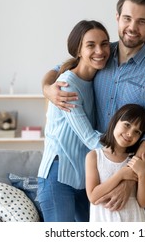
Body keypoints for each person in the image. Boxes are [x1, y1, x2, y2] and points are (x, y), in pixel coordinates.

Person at [42, 0, 145, 221]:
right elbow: (59, 69)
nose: (132, 27)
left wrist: (128, 180)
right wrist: (47, 89)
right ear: (117, 18)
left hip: (138, 174)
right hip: (99, 170)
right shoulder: (101, 52)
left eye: (142, 21)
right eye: (127, 18)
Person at [37, 20, 110, 222]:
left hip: (85, 178)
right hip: (58, 176)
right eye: (91, 45)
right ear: (78, 50)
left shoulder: (99, 74)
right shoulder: (67, 85)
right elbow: (89, 137)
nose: (100, 50)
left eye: (104, 44)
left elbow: (56, 67)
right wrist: (131, 154)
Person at [86, 104, 145, 222]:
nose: (130, 133)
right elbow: (93, 196)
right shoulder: (94, 156)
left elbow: (144, 203)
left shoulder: (135, 160)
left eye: (137, 132)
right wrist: (120, 175)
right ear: (115, 121)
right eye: (127, 125)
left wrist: (143, 174)